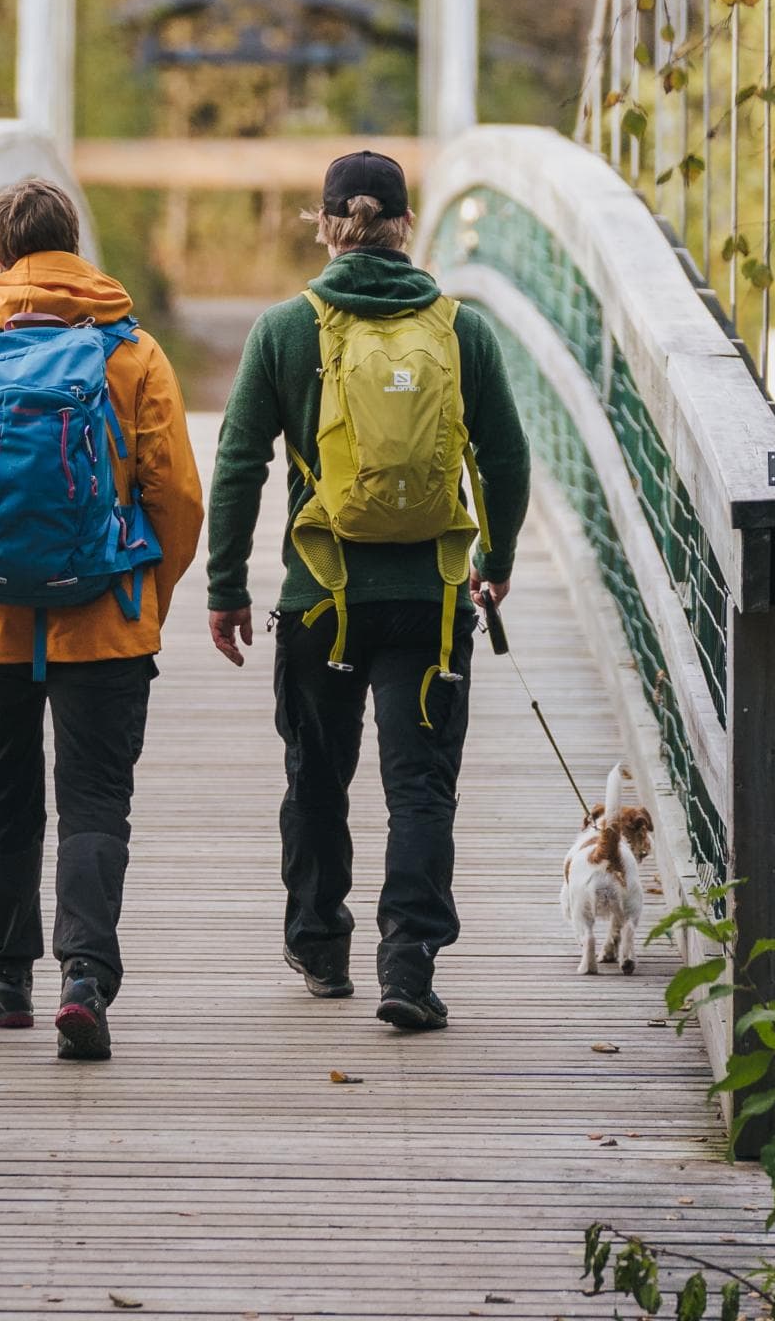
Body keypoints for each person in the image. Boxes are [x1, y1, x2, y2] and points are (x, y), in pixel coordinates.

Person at [204, 150, 531, 1032]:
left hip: (320, 596)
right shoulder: (462, 329)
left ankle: (318, 945)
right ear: (404, 223)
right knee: (420, 786)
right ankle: (409, 961)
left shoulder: (284, 328)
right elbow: (505, 457)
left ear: (325, 226)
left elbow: (239, 462)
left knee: (318, 776)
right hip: (429, 598)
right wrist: (495, 561)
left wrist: (226, 586)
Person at [0, 177, 204, 1061]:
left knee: (2, 795)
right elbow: (176, 494)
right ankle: (84, 978)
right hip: (105, 618)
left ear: (1, 256)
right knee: (95, 800)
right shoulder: (133, 355)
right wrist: (147, 593)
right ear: (76, 248)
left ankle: (3, 979)